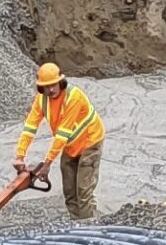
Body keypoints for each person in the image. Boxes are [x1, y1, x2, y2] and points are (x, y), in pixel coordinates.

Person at [14, 62, 106, 221]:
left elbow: (62, 134)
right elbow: (30, 127)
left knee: (83, 191)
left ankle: (89, 227)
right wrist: (20, 156)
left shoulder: (73, 97)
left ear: (61, 82)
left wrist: (47, 164)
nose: (50, 90)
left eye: (53, 85)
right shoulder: (42, 100)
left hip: (90, 142)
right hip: (71, 146)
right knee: (70, 191)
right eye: (46, 86)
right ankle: (77, 224)